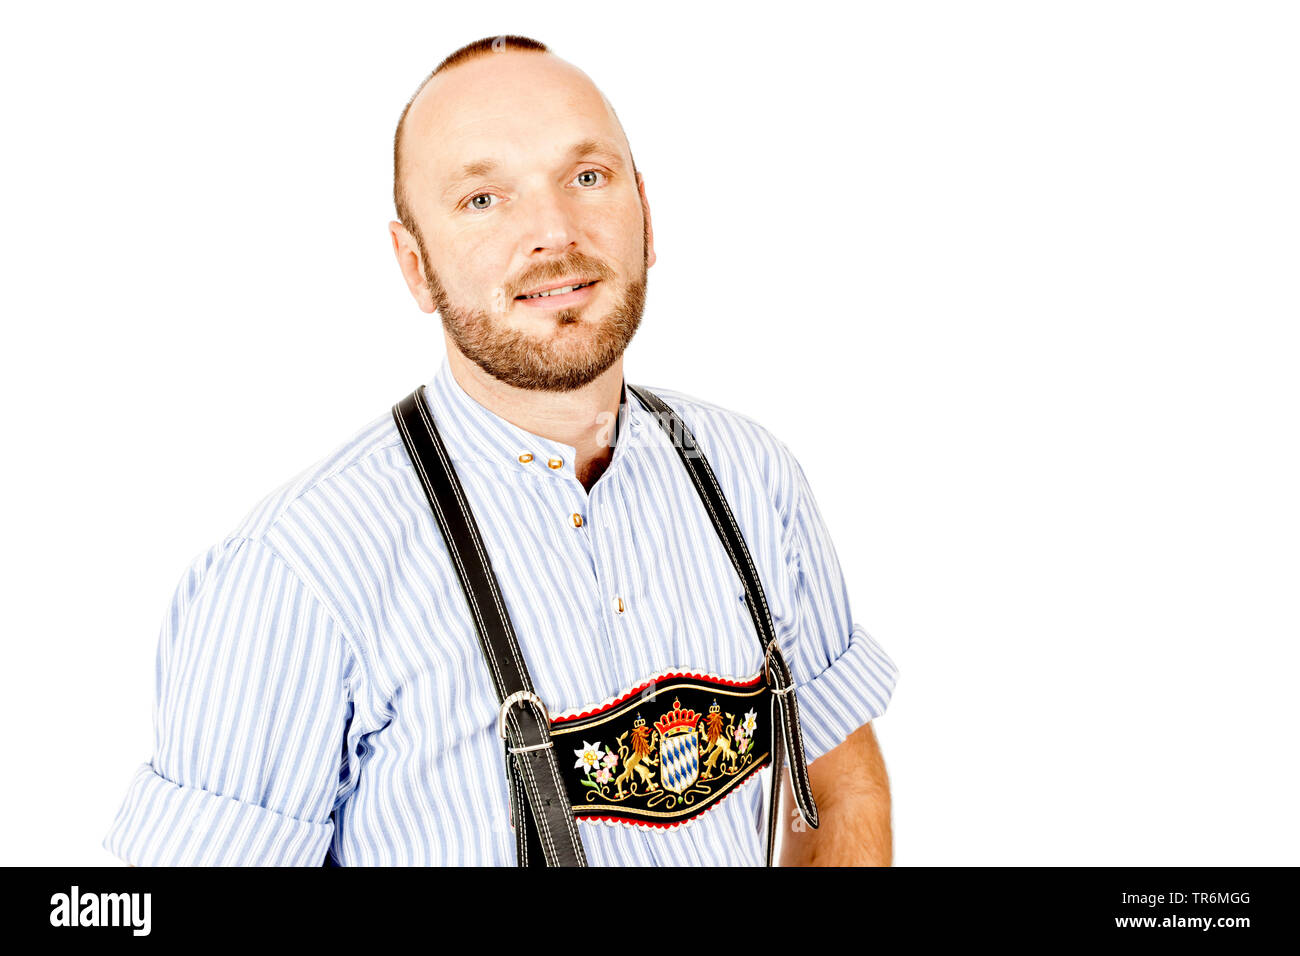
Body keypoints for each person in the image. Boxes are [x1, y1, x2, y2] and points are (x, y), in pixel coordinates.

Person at [103, 35, 899, 867]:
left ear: (648, 216)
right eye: (483, 199)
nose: (553, 232)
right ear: (416, 266)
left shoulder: (749, 476)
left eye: (586, 177)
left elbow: (843, 785)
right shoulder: (294, 575)